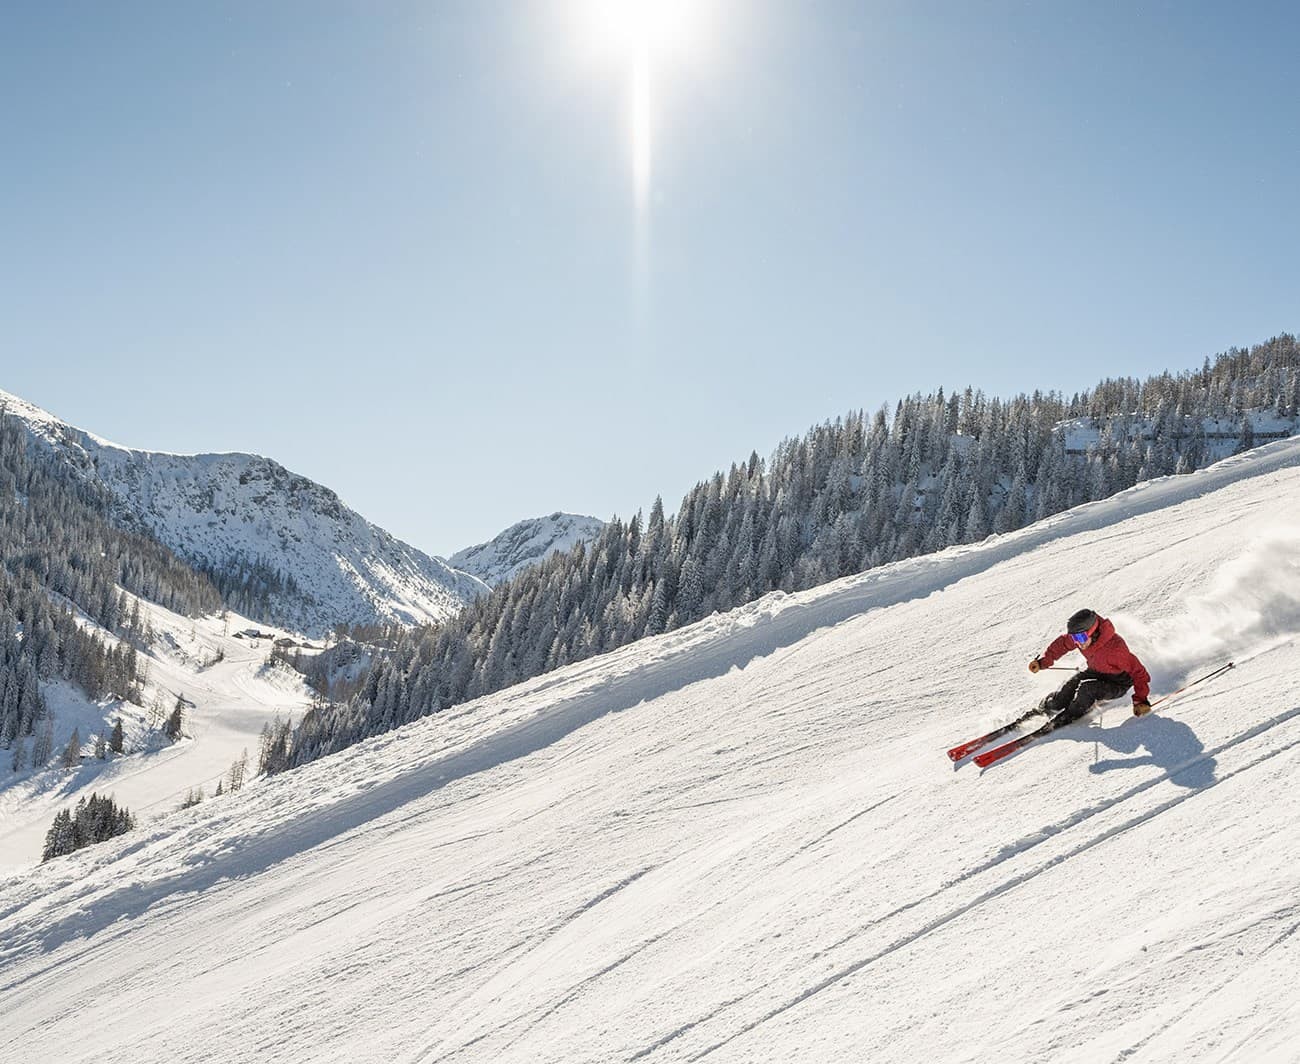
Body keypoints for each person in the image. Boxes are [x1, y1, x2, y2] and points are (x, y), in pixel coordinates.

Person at [1028, 608, 1152, 729]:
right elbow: (1062, 644)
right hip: (1096, 671)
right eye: (1074, 638)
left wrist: (1140, 701)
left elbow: (1138, 673)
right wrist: (1043, 662)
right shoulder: (1081, 639)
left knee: (1087, 689)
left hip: (1118, 682)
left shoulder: (1115, 648)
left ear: (1093, 631)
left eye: (1081, 638)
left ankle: (1070, 715)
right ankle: (1051, 705)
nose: (1078, 643)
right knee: (1071, 684)